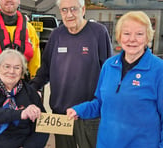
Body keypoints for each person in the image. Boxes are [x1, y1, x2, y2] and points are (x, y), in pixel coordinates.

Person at [67, 11, 163, 148]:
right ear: (119, 36)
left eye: (139, 34)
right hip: (106, 143)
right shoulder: (109, 66)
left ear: (148, 37)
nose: (132, 39)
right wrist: (79, 110)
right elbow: (101, 104)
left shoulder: (159, 69)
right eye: (127, 33)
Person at [30, 0, 112, 147]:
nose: (69, 14)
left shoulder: (99, 32)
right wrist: (32, 88)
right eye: (64, 10)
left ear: (83, 9)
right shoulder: (56, 35)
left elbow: (109, 73)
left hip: (89, 114)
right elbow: (45, 68)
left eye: (73, 9)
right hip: (62, 114)